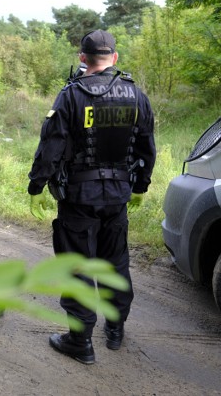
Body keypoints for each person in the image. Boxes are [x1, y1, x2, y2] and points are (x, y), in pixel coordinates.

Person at [27, 29, 156, 364]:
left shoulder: (70, 95)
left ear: (82, 58)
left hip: (78, 196)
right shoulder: (135, 94)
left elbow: (51, 146)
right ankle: (115, 328)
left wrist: (36, 186)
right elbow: (146, 146)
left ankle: (80, 340)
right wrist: (141, 186)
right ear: (114, 57)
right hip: (117, 195)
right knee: (115, 263)